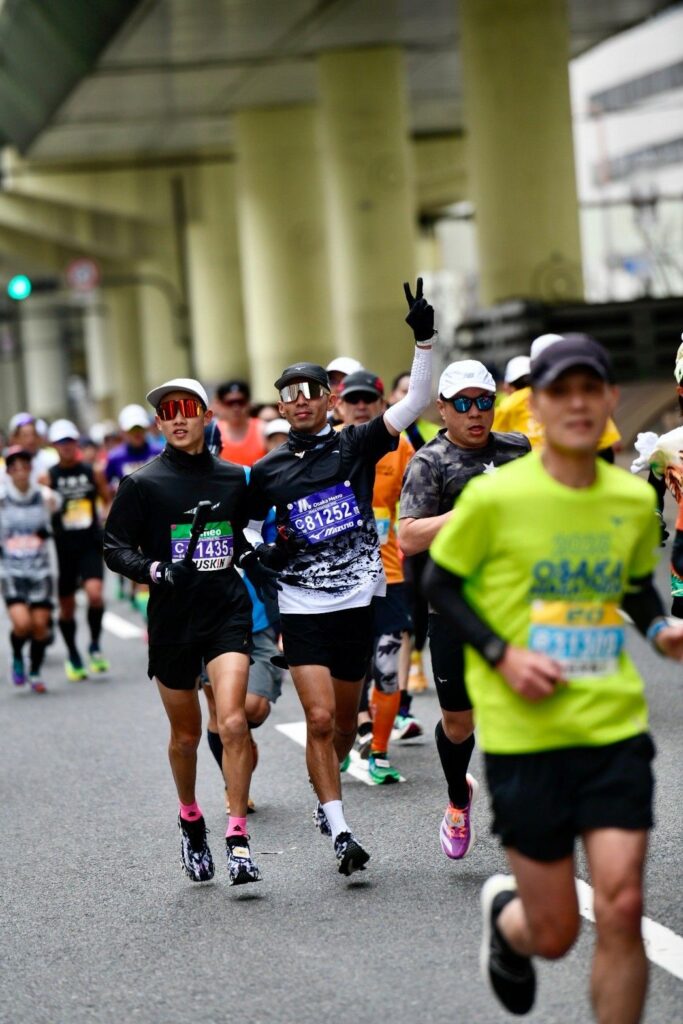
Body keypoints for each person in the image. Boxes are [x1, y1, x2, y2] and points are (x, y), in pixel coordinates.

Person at [423, 334, 683, 1021]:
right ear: (533, 406)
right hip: (523, 735)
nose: (573, 404)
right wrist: (501, 654)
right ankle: (510, 922)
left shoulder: (627, 501)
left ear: (607, 403)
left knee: (622, 907)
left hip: (610, 726)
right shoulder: (495, 498)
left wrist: (658, 630)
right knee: (555, 932)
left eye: (586, 391)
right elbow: (440, 584)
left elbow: (632, 583)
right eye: (557, 392)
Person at [247, 279, 435, 875]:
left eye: (310, 392)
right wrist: (266, 558)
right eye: (289, 395)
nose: (300, 402)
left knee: (343, 721)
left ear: (328, 399)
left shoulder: (356, 443)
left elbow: (414, 405)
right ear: (280, 407)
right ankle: (340, 827)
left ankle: (330, 804)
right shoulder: (268, 470)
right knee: (321, 719)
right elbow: (248, 533)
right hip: (303, 608)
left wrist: (425, 341)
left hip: (358, 597)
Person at [104, 378, 278, 887]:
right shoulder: (143, 484)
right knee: (184, 737)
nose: (177, 418)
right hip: (174, 622)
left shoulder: (233, 479)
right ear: (160, 423)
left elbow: (243, 535)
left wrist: (257, 557)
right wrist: (156, 570)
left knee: (232, 722)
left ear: (206, 417)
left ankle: (238, 835)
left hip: (227, 613)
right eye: (167, 412)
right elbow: (114, 547)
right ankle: (190, 818)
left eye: (187, 409)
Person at [399, 360, 530, 860]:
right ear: (443, 409)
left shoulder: (518, 449)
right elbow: (409, 537)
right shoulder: (429, 463)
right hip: (452, 606)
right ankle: (459, 799)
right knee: (460, 724)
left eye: (484, 401)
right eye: (463, 403)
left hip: (516, 603)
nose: (476, 413)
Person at [336, 369, 415, 783]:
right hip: (338, 578)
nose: (361, 406)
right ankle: (346, 743)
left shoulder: (401, 445)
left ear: (382, 405)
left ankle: (380, 751)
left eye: (369, 399)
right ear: (340, 404)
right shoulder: (326, 447)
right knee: (346, 671)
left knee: (386, 665)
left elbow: (417, 499)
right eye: (354, 399)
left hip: (389, 573)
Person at [45, 419, 111, 681]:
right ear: (54, 446)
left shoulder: (91, 471)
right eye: (61, 443)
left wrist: (106, 522)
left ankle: (94, 644)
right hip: (63, 548)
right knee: (67, 607)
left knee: (95, 595)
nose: (67, 447)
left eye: (70, 442)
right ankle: (73, 653)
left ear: (76, 443)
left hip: (89, 544)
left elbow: (107, 499)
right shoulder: (48, 476)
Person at [494, 334, 621, 460]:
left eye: (589, 389)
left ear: (612, 397)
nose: (577, 404)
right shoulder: (513, 402)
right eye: (558, 392)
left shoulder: (511, 402)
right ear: (534, 404)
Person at [0, 447, 60, 692]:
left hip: (40, 570)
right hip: (11, 571)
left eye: (25, 465)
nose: (21, 471)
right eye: (15, 466)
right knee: (22, 624)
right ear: (8, 471)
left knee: (40, 627)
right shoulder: (2, 499)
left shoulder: (44, 497)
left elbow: (60, 505)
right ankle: (16, 655)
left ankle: (34, 670)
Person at [214, 380, 266, 466]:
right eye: (230, 403)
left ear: (248, 403)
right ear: (220, 405)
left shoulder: (262, 428)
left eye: (240, 402)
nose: (236, 407)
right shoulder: (214, 431)